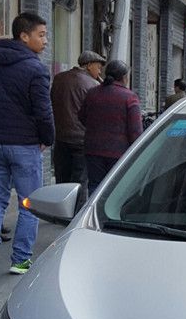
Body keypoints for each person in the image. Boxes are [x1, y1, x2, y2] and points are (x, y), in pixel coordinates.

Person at [0, 11, 54, 276]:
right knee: (29, 203)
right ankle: (20, 259)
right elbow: (43, 111)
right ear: (24, 36)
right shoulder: (36, 69)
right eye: (41, 35)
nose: (45, 41)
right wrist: (47, 138)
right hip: (24, 145)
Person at [51, 50, 105, 205]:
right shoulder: (93, 85)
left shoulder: (59, 78)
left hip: (61, 137)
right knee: (80, 181)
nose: (99, 71)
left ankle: (60, 210)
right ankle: (76, 212)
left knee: (62, 179)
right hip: (82, 140)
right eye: (98, 67)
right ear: (89, 65)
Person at [79, 59, 143, 192]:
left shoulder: (92, 93)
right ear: (124, 77)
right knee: (115, 189)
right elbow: (135, 131)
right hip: (119, 152)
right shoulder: (130, 97)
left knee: (95, 186)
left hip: (93, 149)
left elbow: (82, 117)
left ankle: (93, 206)